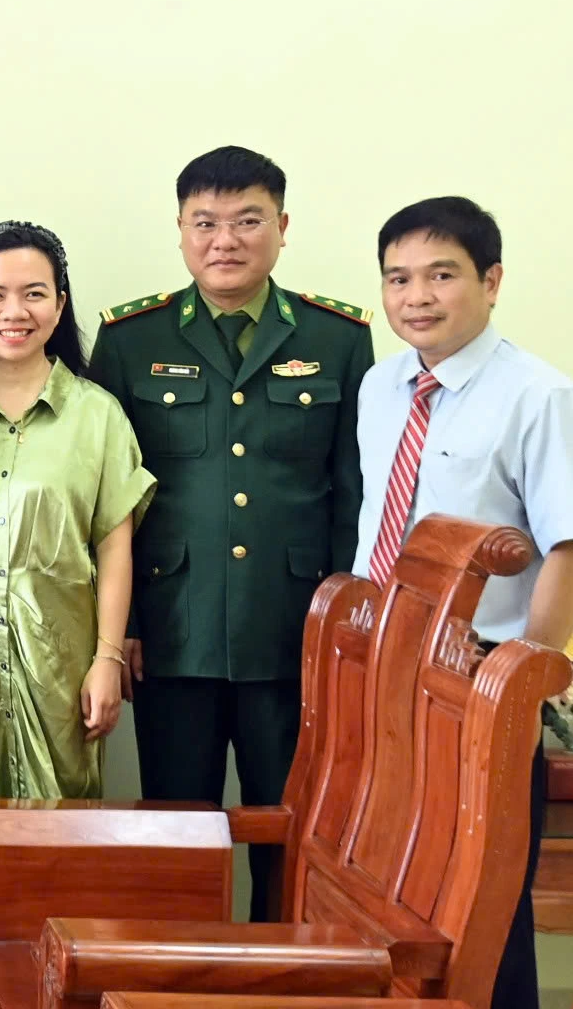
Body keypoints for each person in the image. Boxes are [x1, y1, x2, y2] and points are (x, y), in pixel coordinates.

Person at [353, 195, 573, 1009]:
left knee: (489, 894)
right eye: (399, 277)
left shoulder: (539, 395)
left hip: (484, 677)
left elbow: (567, 545)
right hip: (389, 669)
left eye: (441, 274)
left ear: (491, 282)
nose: (417, 296)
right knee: (405, 879)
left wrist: (522, 683)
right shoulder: (383, 387)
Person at [85, 146, 373, 920]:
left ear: (282, 226)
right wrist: (123, 628)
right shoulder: (131, 339)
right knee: (177, 835)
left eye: (247, 221)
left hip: (294, 634)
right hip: (171, 632)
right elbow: (108, 501)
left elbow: (353, 493)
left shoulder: (338, 337)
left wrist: (345, 628)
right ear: (180, 230)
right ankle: (181, 982)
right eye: (205, 222)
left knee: (295, 833)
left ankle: (284, 976)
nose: (225, 240)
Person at [0, 222, 151, 1009]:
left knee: (62, 847)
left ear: (59, 303)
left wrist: (107, 658)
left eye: (33, 293)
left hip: (62, 665)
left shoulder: (96, 414)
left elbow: (115, 546)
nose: (13, 311)